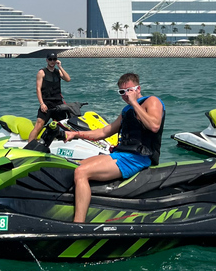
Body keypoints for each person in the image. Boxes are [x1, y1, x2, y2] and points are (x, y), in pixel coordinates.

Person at [64, 73, 165, 223]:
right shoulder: (126, 111)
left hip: (138, 158)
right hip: (121, 155)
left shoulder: (152, 101)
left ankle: (78, 224)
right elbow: (104, 132)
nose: (126, 95)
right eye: (122, 92)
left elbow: (154, 126)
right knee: (72, 166)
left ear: (138, 89)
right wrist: (75, 134)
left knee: (81, 172)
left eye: (129, 90)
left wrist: (134, 103)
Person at [27, 52, 71, 142]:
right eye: (50, 59)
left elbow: (68, 79)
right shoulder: (42, 72)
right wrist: (42, 103)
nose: (52, 61)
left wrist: (60, 67)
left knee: (65, 125)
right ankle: (29, 145)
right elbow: (38, 89)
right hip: (46, 103)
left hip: (58, 103)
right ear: (47, 60)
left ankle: (65, 143)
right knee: (39, 125)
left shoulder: (58, 71)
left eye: (54, 59)